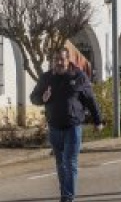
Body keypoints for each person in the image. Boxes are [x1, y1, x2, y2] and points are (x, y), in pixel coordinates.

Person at [30, 48, 103, 202]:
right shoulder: (46, 78)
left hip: (73, 127)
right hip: (54, 127)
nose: (58, 62)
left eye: (61, 59)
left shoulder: (79, 76)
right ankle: (65, 194)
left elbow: (90, 100)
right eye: (56, 59)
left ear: (68, 60)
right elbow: (33, 98)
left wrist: (98, 121)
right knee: (60, 164)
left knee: (69, 163)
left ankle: (67, 198)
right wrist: (42, 98)